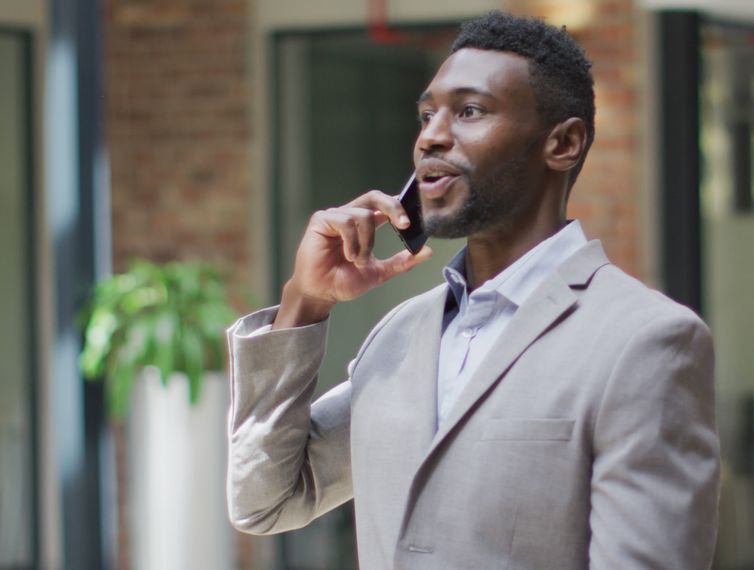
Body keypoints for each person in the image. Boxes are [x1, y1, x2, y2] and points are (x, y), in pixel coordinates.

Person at [226, 11, 720, 569]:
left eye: (469, 111)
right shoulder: (400, 335)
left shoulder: (646, 341)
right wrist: (304, 302)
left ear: (563, 144)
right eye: (427, 114)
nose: (432, 135)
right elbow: (263, 502)